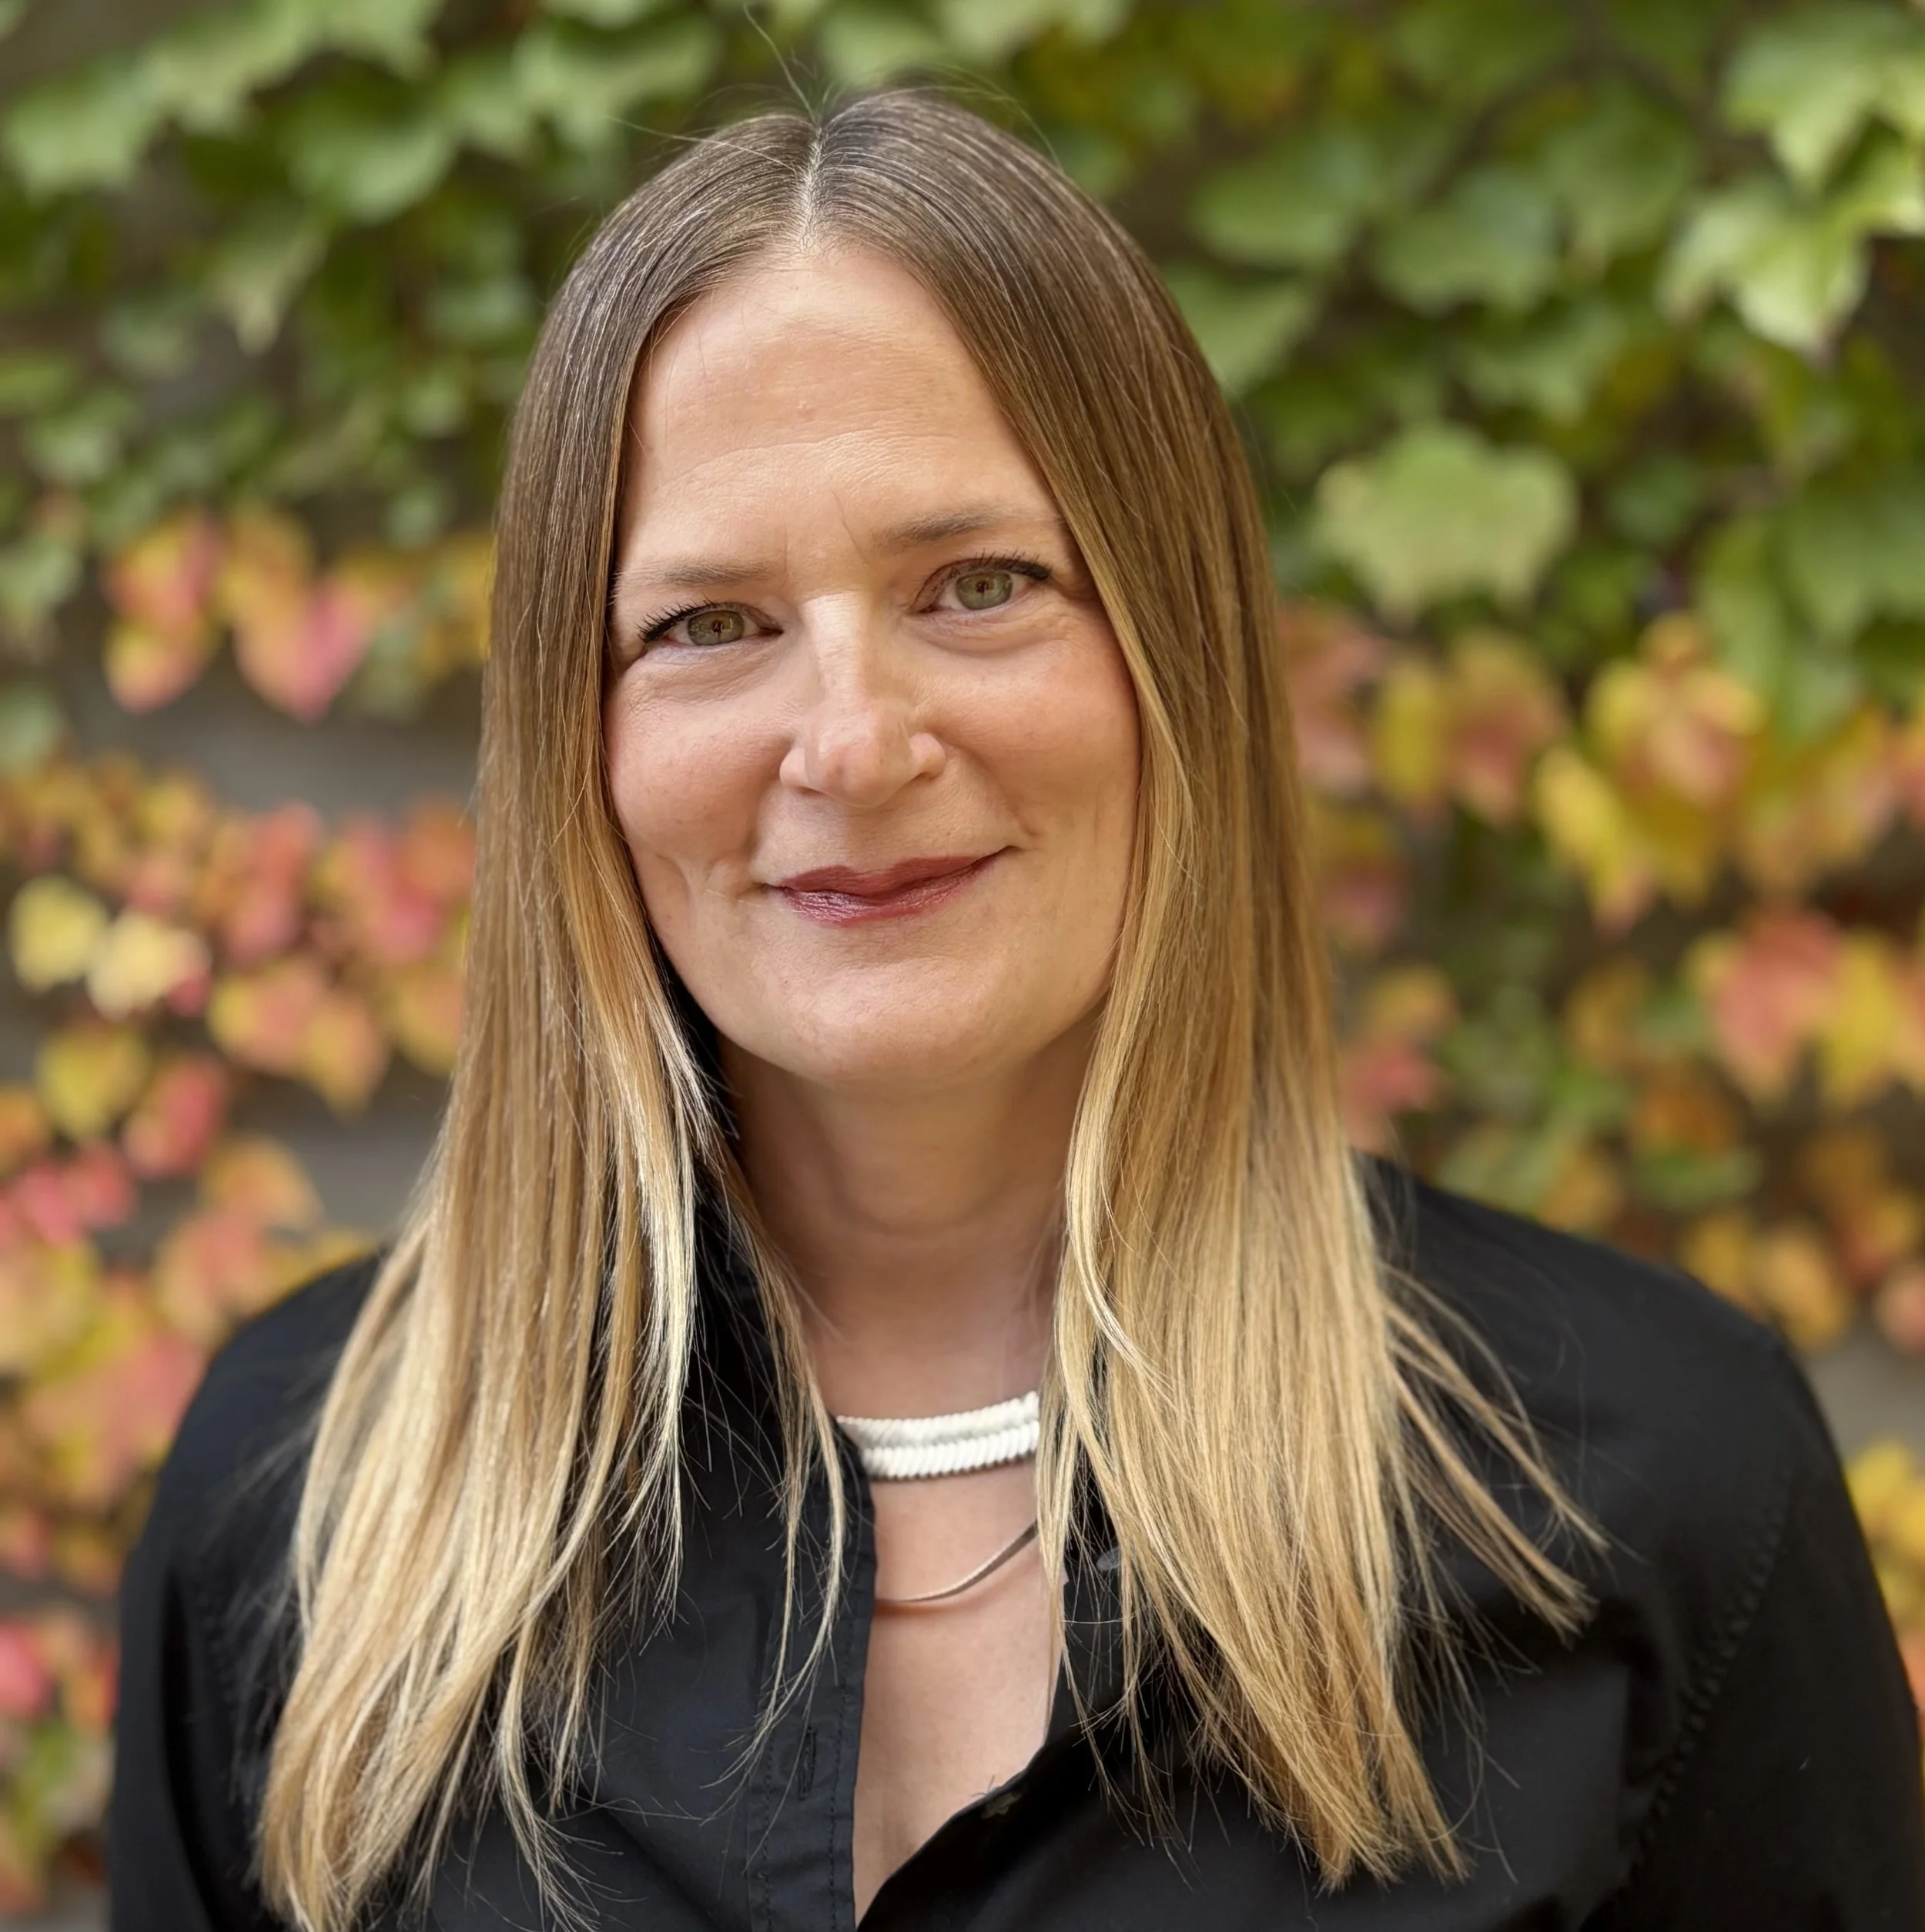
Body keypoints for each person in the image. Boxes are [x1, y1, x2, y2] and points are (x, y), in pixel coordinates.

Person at [108, 91, 1923, 1932]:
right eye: (710, 625)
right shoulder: (303, 1500)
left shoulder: (1656, 1481)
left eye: (979, 587)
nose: (851, 743)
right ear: (579, 740)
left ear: (1173, 658)